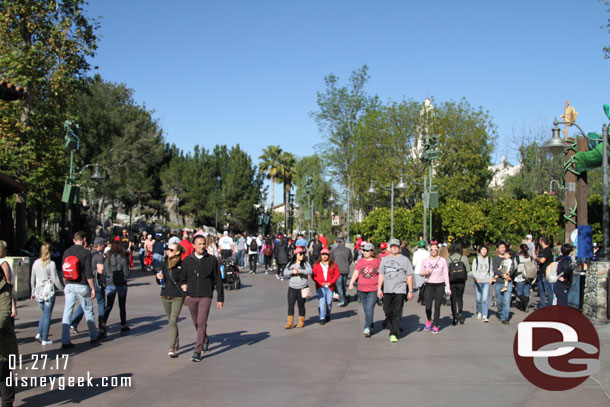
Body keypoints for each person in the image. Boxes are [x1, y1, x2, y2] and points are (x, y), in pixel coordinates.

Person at [180, 234, 224, 362]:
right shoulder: (187, 260)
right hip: (191, 296)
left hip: (206, 295)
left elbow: (218, 280)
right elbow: (182, 279)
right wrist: (185, 294)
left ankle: (197, 351)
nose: (202, 246)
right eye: (199, 244)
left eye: (204, 243)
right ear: (193, 245)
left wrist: (220, 298)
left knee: (202, 322)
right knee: (196, 323)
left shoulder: (212, 260)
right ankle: (205, 339)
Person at [61, 231, 99, 349]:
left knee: (67, 311)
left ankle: (65, 340)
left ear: (73, 240)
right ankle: (93, 336)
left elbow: (63, 271)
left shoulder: (67, 252)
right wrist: (92, 288)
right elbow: (88, 273)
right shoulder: (86, 253)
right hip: (82, 285)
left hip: (69, 285)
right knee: (88, 310)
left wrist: (65, 284)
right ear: (84, 240)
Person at [376, 239, 414, 342]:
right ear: (390, 247)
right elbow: (381, 274)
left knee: (397, 311)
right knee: (387, 310)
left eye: (396, 246)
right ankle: (395, 324)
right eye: (392, 246)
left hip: (400, 290)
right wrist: (379, 288)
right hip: (387, 289)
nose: (394, 248)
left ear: (399, 247)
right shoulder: (384, 259)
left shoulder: (405, 260)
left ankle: (393, 333)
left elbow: (409, 276)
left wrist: (410, 290)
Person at [71, 237, 107, 337]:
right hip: (96, 282)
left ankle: (74, 323)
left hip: (85, 281)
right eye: (104, 245)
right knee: (101, 302)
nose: (105, 247)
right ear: (100, 245)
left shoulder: (87, 254)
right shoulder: (99, 256)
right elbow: (100, 270)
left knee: (84, 303)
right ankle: (101, 326)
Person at [30, 243, 64, 345]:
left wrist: (32, 291)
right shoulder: (51, 264)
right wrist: (63, 289)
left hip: (39, 291)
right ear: (51, 252)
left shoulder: (35, 263)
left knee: (44, 314)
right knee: (47, 315)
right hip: (48, 292)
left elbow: (32, 279)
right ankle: (44, 338)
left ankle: (39, 334)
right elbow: (55, 279)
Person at [156, 242, 185, 358]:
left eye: (171, 250)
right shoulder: (164, 264)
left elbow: (184, 279)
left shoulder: (182, 265)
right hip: (165, 295)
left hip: (177, 296)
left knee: (173, 321)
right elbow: (161, 279)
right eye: (167, 249)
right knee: (171, 321)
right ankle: (176, 341)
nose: (168, 251)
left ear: (177, 252)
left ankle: (171, 347)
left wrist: (185, 288)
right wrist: (158, 278)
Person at [0, 240, 18, 407]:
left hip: (2, 340)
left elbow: (4, 315)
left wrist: (12, 305)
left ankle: (7, 402)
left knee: (4, 370)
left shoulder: (3, 288)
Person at [420, 241, 451, 334]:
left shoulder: (442, 260)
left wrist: (448, 288)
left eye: (435, 249)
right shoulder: (425, 260)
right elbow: (420, 272)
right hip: (429, 284)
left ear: (438, 250)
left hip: (440, 285)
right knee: (428, 306)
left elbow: (446, 274)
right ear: (429, 250)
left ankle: (436, 325)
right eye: (432, 249)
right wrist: (425, 273)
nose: (433, 251)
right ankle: (429, 320)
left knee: (437, 306)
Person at [349, 242, 379, 337]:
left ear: (372, 251)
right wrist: (351, 283)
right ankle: (371, 324)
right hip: (361, 289)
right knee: (366, 309)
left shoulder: (377, 261)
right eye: (364, 250)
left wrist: (381, 287)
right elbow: (356, 273)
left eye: (368, 250)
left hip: (373, 289)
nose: (365, 252)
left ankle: (367, 327)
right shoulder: (361, 261)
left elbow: (382, 275)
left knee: (369, 307)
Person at [102, 240, 130, 333]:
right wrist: (124, 278)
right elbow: (126, 272)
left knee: (109, 305)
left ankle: (103, 323)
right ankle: (123, 324)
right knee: (122, 306)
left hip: (110, 283)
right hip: (121, 283)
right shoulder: (123, 258)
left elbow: (104, 271)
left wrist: (107, 279)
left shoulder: (108, 258)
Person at [282, 247, 312, 329]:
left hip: (302, 287)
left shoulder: (305, 263)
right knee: (290, 304)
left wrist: (301, 271)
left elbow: (310, 271)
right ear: (296, 255)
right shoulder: (291, 264)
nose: (302, 256)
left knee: (301, 305)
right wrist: (292, 271)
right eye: (300, 254)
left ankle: (301, 321)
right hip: (292, 287)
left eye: (303, 254)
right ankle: (290, 322)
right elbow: (284, 272)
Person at [312, 248, 339, 325]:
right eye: (323, 254)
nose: (324, 256)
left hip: (330, 287)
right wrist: (320, 282)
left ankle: (328, 314)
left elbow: (337, 274)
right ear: (320, 255)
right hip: (320, 286)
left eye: (326, 255)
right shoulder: (316, 265)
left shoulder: (333, 264)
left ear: (328, 255)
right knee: (321, 302)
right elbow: (313, 276)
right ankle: (322, 317)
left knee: (329, 302)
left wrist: (331, 282)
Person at [492, 241, 516, 325]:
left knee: (506, 300)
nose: (502, 249)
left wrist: (509, 275)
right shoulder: (495, 259)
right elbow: (495, 269)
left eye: (504, 247)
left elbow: (513, 268)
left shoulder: (510, 259)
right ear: (498, 249)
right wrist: (503, 275)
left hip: (508, 282)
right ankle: (500, 312)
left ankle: (504, 318)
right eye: (500, 247)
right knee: (500, 301)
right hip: (499, 282)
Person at [448, 242, 470, 325]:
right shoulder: (464, 258)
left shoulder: (449, 259)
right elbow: (467, 269)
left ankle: (454, 317)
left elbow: (446, 271)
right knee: (460, 297)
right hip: (461, 281)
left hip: (452, 281)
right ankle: (460, 312)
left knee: (453, 299)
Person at [472, 245, 492, 322]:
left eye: (485, 250)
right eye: (482, 250)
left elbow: (491, 270)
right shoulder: (476, 259)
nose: (484, 251)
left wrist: (490, 279)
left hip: (486, 281)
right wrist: (477, 278)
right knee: (478, 298)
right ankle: (479, 311)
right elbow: (474, 270)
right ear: (480, 251)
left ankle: (485, 315)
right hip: (478, 282)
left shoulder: (489, 259)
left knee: (484, 299)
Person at [330, 237, 353, 307]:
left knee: (339, 285)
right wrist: (347, 264)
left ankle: (342, 300)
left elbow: (331, 260)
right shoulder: (348, 250)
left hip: (337, 270)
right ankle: (343, 297)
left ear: (337, 243)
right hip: (346, 269)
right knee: (343, 285)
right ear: (344, 242)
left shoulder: (334, 250)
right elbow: (350, 260)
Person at [515, 244, 535, 312]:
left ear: (520, 249)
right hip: (529, 276)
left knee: (519, 292)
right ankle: (526, 305)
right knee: (527, 291)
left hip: (520, 276)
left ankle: (524, 302)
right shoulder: (530, 257)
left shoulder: (518, 257)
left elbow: (515, 266)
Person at [536, 237, 554, 308]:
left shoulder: (547, 250)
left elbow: (542, 260)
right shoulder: (543, 251)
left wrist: (535, 257)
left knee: (548, 290)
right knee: (541, 289)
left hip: (546, 273)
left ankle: (550, 305)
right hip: (541, 272)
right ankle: (542, 304)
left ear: (542, 241)